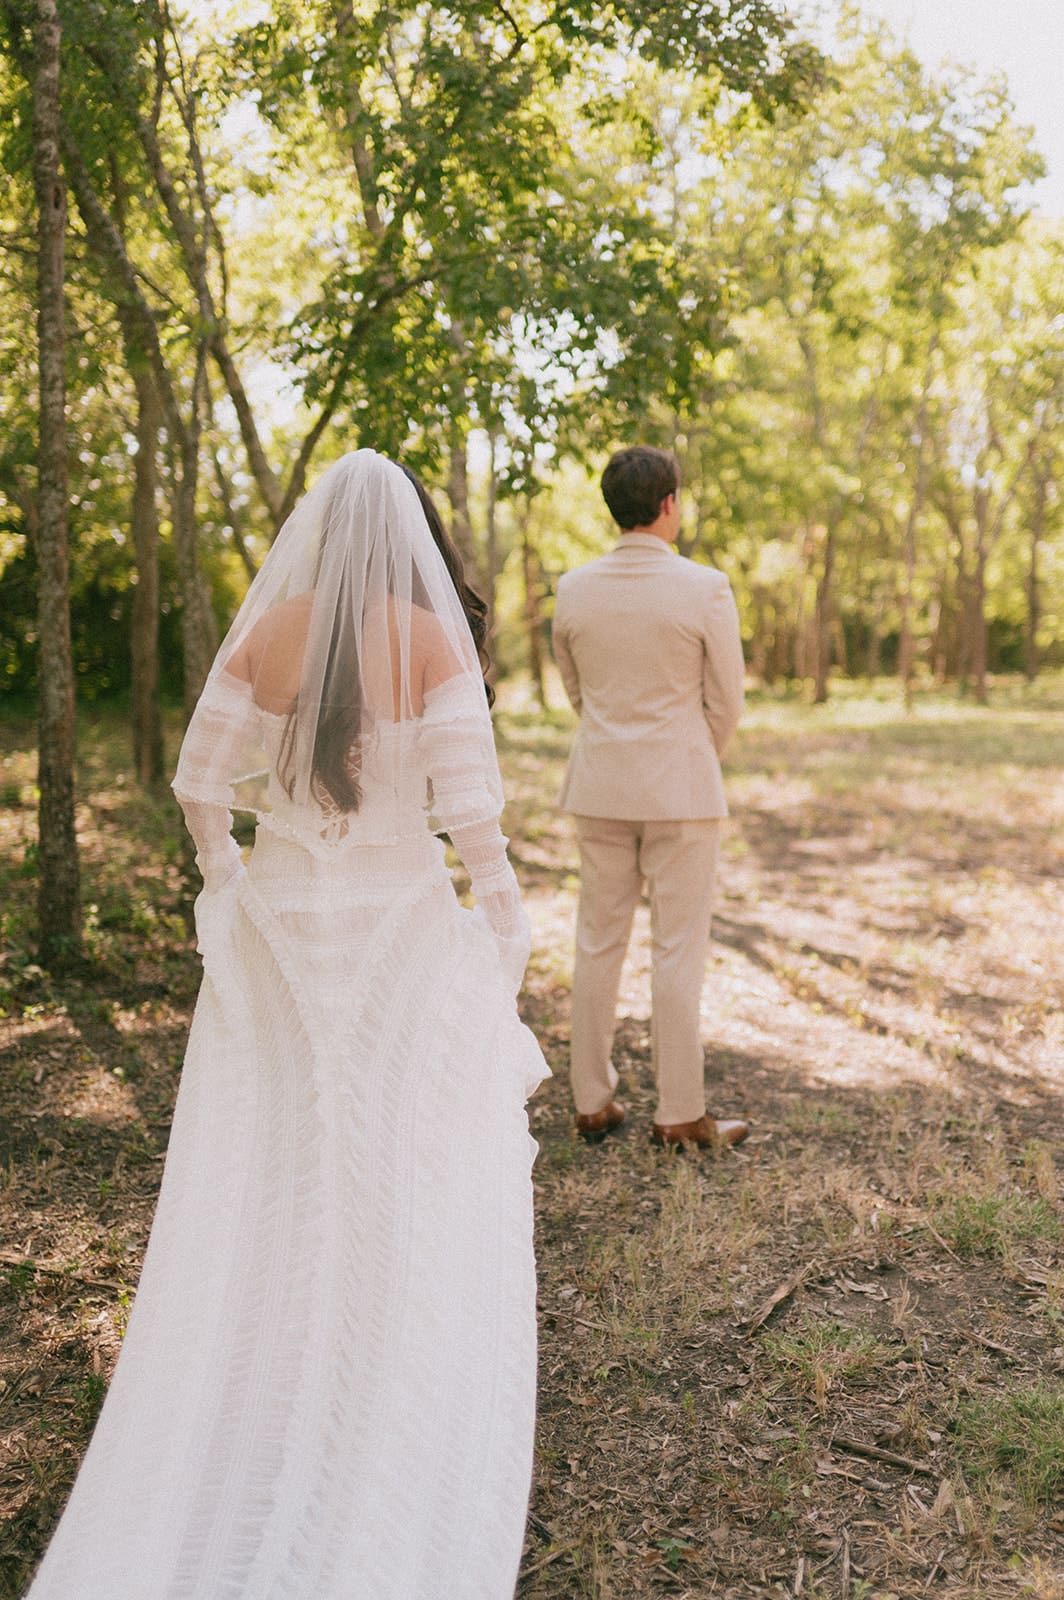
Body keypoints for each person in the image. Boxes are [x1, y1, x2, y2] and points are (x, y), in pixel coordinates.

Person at [26, 449, 549, 1600]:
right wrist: (503, 935)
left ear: (317, 530)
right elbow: (470, 818)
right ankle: (378, 1362)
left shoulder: (271, 631)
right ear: (408, 532)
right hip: (399, 926)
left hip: (280, 928)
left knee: (273, 1146)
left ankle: (276, 1343)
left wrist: (230, 879)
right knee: (396, 1144)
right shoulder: (426, 638)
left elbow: (195, 777)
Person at [552, 444, 747, 1151]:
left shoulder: (573, 589)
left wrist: (615, 740)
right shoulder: (705, 587)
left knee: (597, 944)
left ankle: (592, 1101)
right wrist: (694, 756)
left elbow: (577, 692)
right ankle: (679, 1112)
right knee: (677, 949)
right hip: (682, 788)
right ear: (668, 503)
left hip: (600, 783)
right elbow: (727, 701)